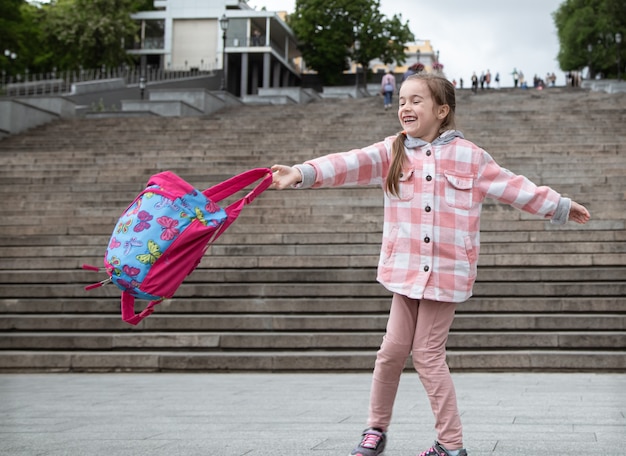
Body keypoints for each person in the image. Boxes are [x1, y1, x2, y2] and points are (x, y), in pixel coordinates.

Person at [270, 72, 591, 456]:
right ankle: (374, 429)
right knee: (391, 352)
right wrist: (302, 173)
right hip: (404, 271)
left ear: (441, 110)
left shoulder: (470, 156)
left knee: (426, 353)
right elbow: (348, 164)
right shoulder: (393, 150)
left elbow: (514, 187)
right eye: (402, 100)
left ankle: (451, 445)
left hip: (446, 273)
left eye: (416, 100)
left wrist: (558, 206)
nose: (406, 107)